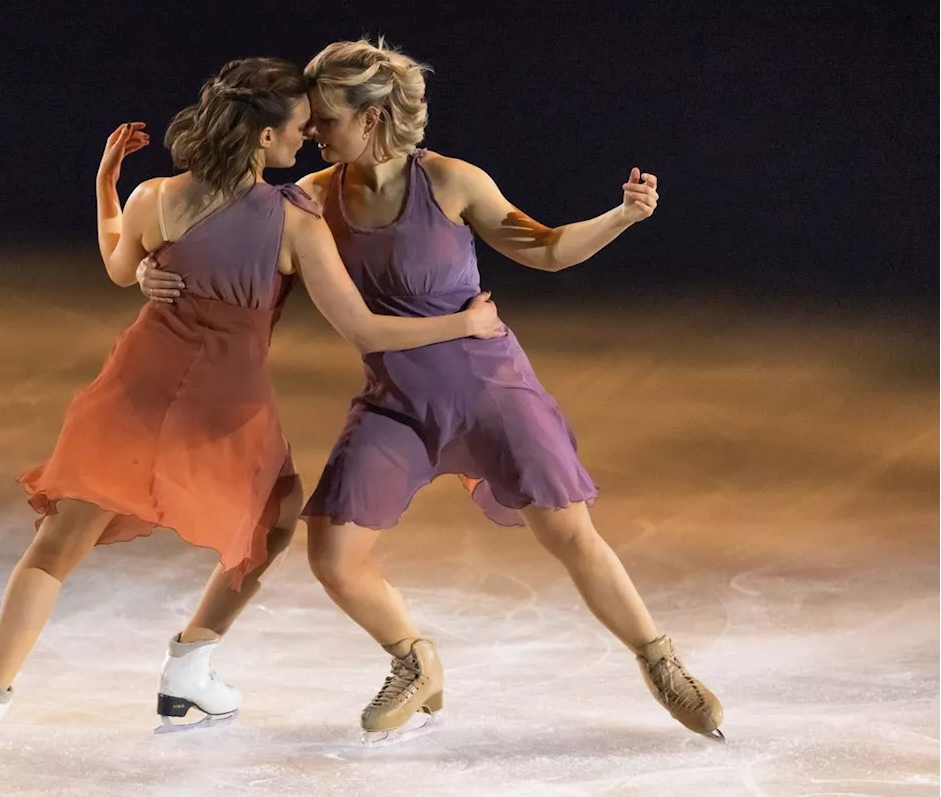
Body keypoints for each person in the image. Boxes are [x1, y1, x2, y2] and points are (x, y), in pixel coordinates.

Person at [0, 56, 504, 770]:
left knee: (59, 543)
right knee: (276, 519)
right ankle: (189, 668)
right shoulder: (295, 221)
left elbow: (114, 264)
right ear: (262, 137)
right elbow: (364, 329)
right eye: (297, 127)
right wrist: (463, 328)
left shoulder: (156, 197)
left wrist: (108, 187)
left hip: (135, 388)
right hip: (225, 405)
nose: (309, 136)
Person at [137, 39, 725, 746]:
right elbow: (225, 237)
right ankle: (414, 659)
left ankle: (660, 663)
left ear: (374, 116)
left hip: (491, 390)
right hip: (396, 404)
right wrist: (149, 269)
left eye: (326, 118)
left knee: (570, 533)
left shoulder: (450, 182)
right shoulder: (314, 200)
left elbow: (543, 247)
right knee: (332, 552)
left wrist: (622, 216)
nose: (314, 132)